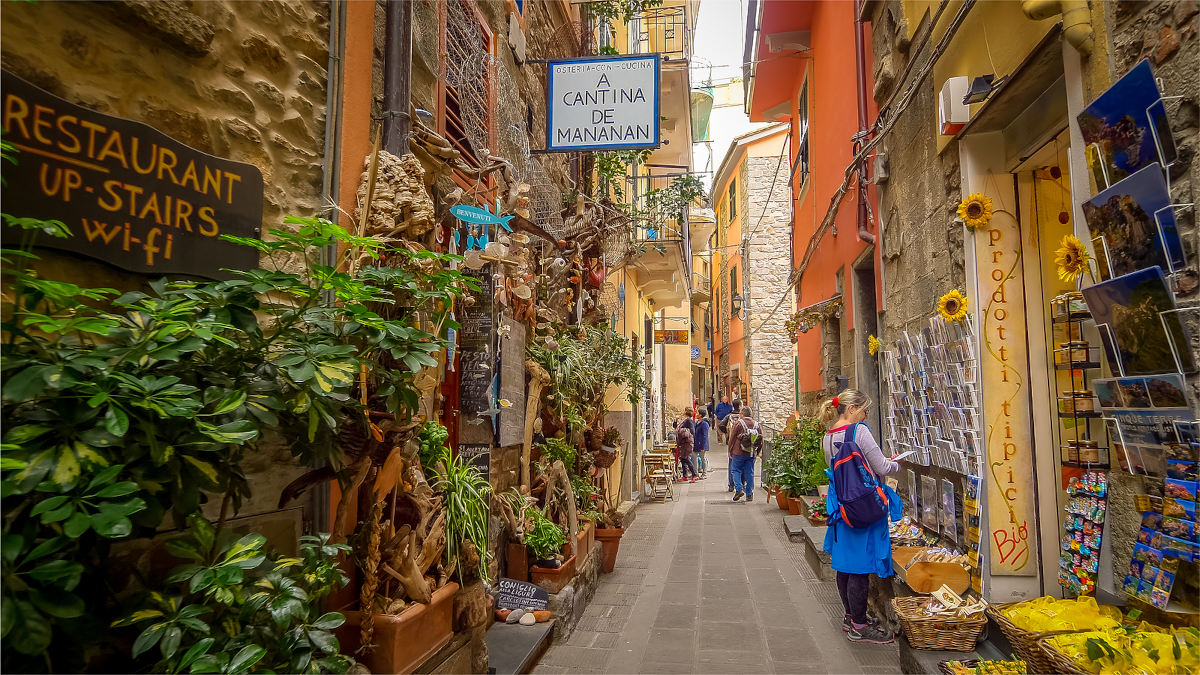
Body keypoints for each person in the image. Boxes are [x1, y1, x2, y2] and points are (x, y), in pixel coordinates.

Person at [820, 389, 901, 645]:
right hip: (864, 506)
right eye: (864, 409)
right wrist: (897, 463)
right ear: (852, 408)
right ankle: (859, 625)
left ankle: (850, 616)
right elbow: (881, 467)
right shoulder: (859, 431)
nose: (866, 415)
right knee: (859, 569)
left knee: (845, 564)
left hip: (841, 506)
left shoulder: (828, 436)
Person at [727, 407, 763, 502]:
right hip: (751, 452)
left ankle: (739, 489)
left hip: (738, 452)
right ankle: (749, 494)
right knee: (749, 472)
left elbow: (732, 438)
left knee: (735, 470)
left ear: (742, 414)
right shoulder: (757, 425)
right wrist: (757, 452)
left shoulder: (739, 423)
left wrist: (730, 450)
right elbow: (761, 440)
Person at [676, 415, 698, 483]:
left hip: (687, 444)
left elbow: (692, 431)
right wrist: (675, 421)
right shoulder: (683, 421)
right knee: (683, 459)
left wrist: (683, 432)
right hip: (683, 444)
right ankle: (685, 476)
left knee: (686, 458)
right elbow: (676, 428)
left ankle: (694, 475)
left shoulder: (688, 420)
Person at [693, 410, 711, 477]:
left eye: (697, 413)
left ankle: (704, 473)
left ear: (700, 415)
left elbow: (705, 435)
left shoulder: (704, 424)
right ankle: (695, 473)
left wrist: (703, 446)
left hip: (701, 444)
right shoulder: (696, 422)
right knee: (694, 458)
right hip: (696, 443)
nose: (696, 414)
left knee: (702, 458)